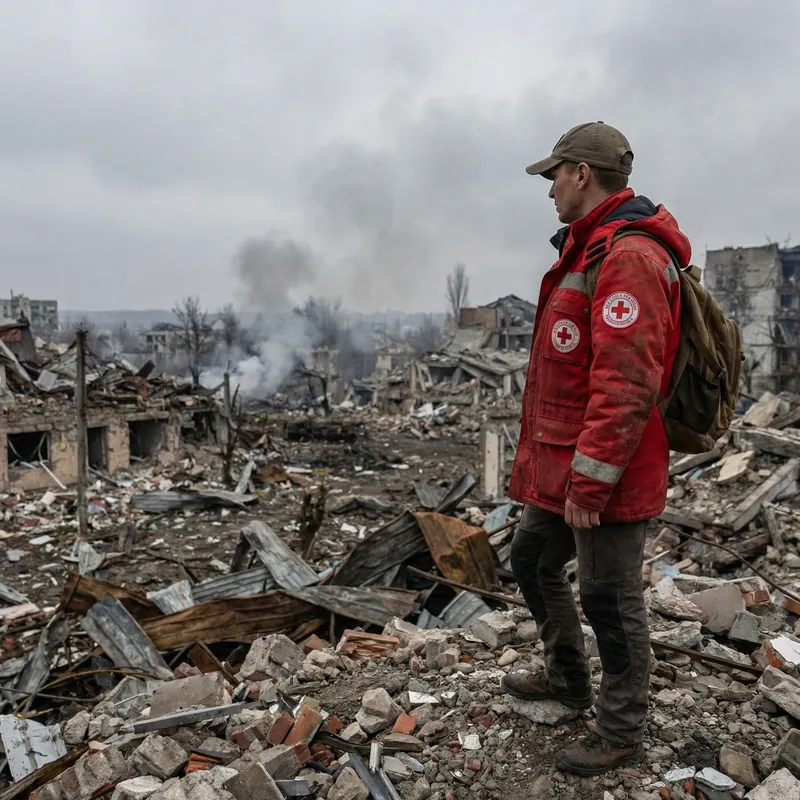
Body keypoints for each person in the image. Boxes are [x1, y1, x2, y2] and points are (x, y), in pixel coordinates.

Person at [501, 121, 690, 776]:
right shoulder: (587, 249)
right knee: (530, 557)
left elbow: (626, 384)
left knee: (608, 598)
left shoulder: (627, 258)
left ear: (582, 173)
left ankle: (619, 730)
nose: (549, 187)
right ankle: (567, 678)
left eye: (554, 174)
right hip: (565, 462)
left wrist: (591, 485)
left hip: (607, 472)